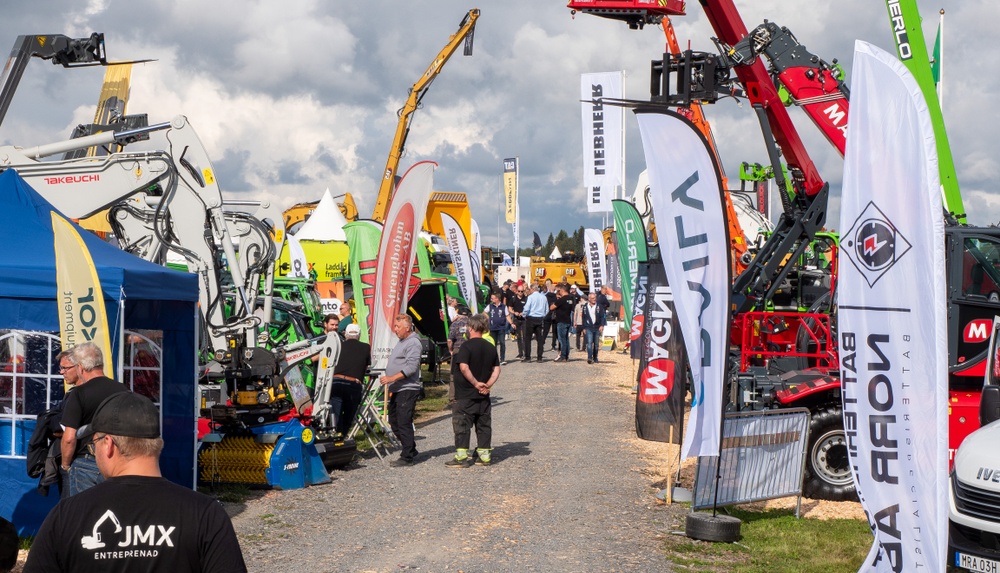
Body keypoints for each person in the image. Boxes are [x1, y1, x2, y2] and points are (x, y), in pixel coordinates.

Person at [25, 392, 247, 573]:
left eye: (93, 445)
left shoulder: (67, 515)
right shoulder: (205, 513)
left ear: (109, 445)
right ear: (157, 444)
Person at [60, 343, 127, 498]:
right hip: (114, 461)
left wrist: (65, 465)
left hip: (85, 462)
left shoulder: (79, 393)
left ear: (81, 368)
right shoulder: (123, 390)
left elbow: (69, 438)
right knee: (111, 512)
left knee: (82, 516)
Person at [446, 314, 500, 468]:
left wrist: (476, 384)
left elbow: (463, 367)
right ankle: (484, 457)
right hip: (484, 396)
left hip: (465, 394)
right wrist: (487, 385)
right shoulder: (490, 346)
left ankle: (461, 458)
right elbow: (497, 369)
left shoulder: (466, 346)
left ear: (470, 328)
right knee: (483, 425)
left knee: (462, 425)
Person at [380, 314, 423, 467]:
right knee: (394, 421)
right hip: (398, 388)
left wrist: (391, 378)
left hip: (407, 388)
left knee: (403, 421)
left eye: (398, 327)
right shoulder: (402, 341)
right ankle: (410, 448)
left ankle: (407, 456)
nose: (395, 329)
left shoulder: (413, 343)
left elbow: (411, 367)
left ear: (407, 327)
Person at [330, 323, 371, 435]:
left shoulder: (339, 346)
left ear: (345, 334)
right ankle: (342, 438)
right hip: (353, 384)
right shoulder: (366, 347)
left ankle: (334, 439)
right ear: (359, 335)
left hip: (336, 383)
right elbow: (366, 366)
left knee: (335, 416)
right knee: (348, 416)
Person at [447, 306, 471, 405]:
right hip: (469, 349)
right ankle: (467, 394)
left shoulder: (455, 324)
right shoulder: (471, 324)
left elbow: (449, 340)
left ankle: (453, 397)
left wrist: (451, 350)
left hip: (457, 350)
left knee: (454, 373)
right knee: (469, 372)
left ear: (459, 314)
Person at [521, 283, 548, 362]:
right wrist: (542, 316)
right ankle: (539, 357)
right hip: (540, 319)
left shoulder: (530, 297)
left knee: (528, 338)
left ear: (532, 289)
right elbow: (547, 310)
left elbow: (526, 307)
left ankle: (528, 357)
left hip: (531, 318)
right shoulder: (544, 297)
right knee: (539, 338)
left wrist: (524, 315)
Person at [550, 285, 575, 362]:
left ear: (563, 290)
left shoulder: (562, 299)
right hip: (567, 320)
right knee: (566, 339)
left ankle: (563, 356)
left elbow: (552, 307)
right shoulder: (570, 299)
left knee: (562, 339)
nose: (559, 291)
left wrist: (553, 304)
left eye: (560, 290)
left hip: (561, 321)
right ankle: (566, 355)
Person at [581, 291, 607, 364]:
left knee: (596, 344)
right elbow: (583, 317)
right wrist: (584, 327)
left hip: (597, 327)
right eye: (592, 298)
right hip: (588, 327)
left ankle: (595, 357)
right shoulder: (585, 307)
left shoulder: (599, 306)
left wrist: (602, 325)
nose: (594, 299)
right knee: (589, 343)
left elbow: (602, 317)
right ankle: (589, 357)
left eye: (595, 298)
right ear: (589, 299)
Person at [486, 292, 509, 365]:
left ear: (497, 299)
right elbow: (484, 312)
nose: (491, 299)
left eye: (492, 298)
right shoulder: (490, 306)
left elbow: (507, 315)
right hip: (492, 328)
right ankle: (494, 360)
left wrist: (511, 323)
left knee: (502, 343)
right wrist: (488, 318)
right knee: (493, 344)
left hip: (501, 328)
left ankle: (502, 359)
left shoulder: (503, 306)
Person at [507, 283, 526, 359]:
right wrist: (514, 312)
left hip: (524, 319)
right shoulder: (513, 298)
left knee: (525, 336)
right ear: (517, 291)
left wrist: (523, 313)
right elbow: (509, 308)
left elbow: (529, 308)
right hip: (516, 319)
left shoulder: (526, 298)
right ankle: (520, 353)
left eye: (522, 291)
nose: (520, 293)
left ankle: (525, 352)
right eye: (519, 291)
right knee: (518, 336)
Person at [541, 279, 557, 351]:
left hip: (547, 315)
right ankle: (553, 345)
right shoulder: (556, 297)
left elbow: (543, 306)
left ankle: (542, 344)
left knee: (545, 331)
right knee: (554, 332)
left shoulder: (545, 297)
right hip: (554, 315)